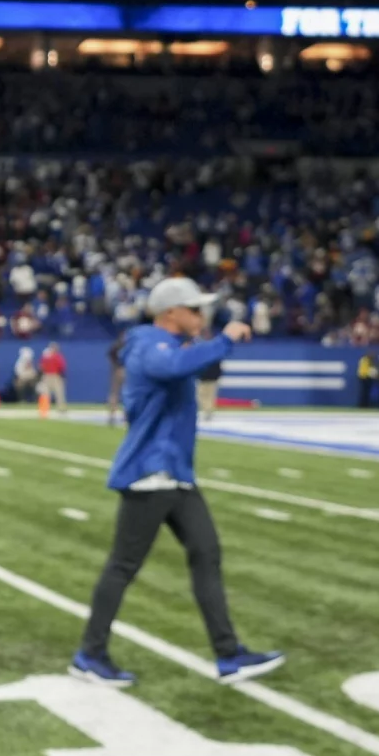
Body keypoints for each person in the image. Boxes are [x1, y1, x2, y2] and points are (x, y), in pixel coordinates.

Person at [70, 277, 286, 688]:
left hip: (174, 475)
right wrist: (223, 340)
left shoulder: (166, 344)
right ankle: (90, 653)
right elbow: (172, 366)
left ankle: (229, 654)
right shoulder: (149, 345)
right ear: (172, 312)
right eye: (194, 309)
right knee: (123, 566)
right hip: (150, 474)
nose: (201, 315)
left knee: (207, 553)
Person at [39, 341, 69, 415]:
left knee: (55, 393)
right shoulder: (56, 357)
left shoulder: (46, 356)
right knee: (54, 393)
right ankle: (48, 409)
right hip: (54, 376)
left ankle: (45, 410)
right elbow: (62, 367)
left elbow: (41, 366)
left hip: (49, 376)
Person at [105, 330, 127, 425]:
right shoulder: (127, 346)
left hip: (117, 370)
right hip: (124, 370)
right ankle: (125, 415)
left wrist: (115, 365)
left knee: (114, 393)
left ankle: (112, 415)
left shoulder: (116, 346)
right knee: (126, 393)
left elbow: (110, 355)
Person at [196, 349, 222, 420]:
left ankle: (208, 411)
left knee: (210, 395)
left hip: (211, 379)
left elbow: (218, 369)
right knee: (201, 395)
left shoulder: (215, 358)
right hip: (204, 379)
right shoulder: (204, 358)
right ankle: (206, 410)